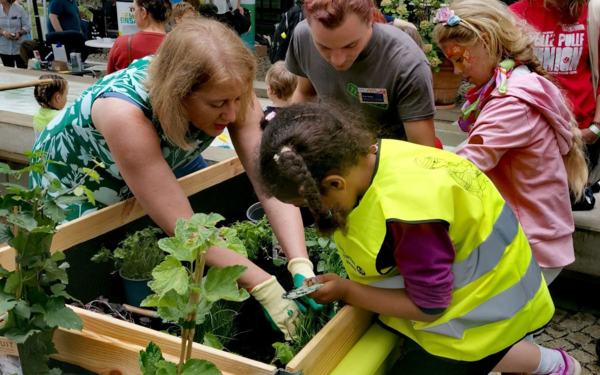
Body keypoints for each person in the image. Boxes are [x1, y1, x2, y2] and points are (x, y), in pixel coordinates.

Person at [30, 19, 317, 341]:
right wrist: (261, 283)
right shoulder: (123, 111)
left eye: (238, 100)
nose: (233, 115)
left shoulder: (229, 86)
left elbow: (269, 181)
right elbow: (182, 225)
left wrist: (299, 262)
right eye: (218, 104)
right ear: (178, 93)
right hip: (76, 185)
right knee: (86, 270)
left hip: (153, 159)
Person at [257, 102, 581, 375]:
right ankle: (551, 363)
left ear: (336, 184)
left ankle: (554, 366)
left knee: (476, 352)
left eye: (310, 205)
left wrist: (348, 290)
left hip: (481, 313)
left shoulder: (410, 217)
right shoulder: (372, 156)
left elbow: (429, 307)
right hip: (481, 279)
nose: (315, 216)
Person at [433, 0, 588, 287]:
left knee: (504, 329)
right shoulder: (515, 84)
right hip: (532, 234)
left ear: (487, 42)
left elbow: (466, 165)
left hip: (529, 243)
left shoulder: (512, 103)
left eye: (459, 59)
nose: (456, 71)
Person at [286, 0, 436, 146]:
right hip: (332, 152)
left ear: (370, 18)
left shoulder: (407, 64)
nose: (338, 61)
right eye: (324, 47)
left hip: (390, 162)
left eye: (350, 45)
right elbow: (305, 94)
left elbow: (422, 154)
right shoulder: (303, 37)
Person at [509, 0, 600, 189]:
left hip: (580, 134)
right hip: (531, 135)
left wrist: (596, 129)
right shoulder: (514, 14)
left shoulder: (592, 11)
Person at [106, 0, 170, 74]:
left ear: (143, 12)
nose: (133, 13)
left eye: (133, 9)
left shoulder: (122, 43)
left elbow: (108, 79)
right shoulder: (178, 44)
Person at [33, 75, 68, 141]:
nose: (66, 99)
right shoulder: (60, 116)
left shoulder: (37, 113)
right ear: (58, 98)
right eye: (66, 95)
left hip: (38, 151)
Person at [0, 0, 31, 68]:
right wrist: (4, 33)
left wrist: (19, 33)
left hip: (20, 47)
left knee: (23, 72)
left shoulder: (19, 8)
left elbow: (27, 26)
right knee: (9, 73)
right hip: (4, 48)